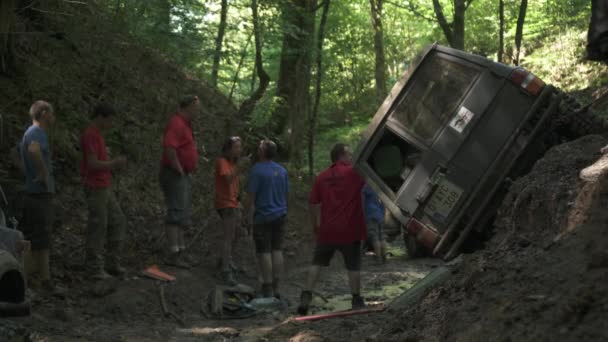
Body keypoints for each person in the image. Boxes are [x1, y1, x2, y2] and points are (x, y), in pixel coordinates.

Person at [297, 143, 367, 315]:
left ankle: (306, 296)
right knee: (353, 266)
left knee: (317, 263)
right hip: (350, 230)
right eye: (349, 155)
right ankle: (356, 299)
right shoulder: (354, 174)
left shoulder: (321, 177)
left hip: (327, 229)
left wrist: (316, 225)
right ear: (341, 156)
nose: (351, 158)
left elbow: (313, 203)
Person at [80, 103, 128, 280]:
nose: (111, 123)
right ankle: (93, 267)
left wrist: (109, 161)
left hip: (104, 185)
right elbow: (92, 164)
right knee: (98, 225)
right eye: (110, 119)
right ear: (101, 116)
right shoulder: (91, 134)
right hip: (95, 186)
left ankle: (112, 263)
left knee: (117, 221)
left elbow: (97, 160)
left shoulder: (98, 135)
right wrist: (113, 164)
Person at [18, 100, 56, 291]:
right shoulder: (36, 133)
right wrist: (41, 173)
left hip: (34, 194)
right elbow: (34, 150)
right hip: (38, 195)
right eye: (51, 113)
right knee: (35, 240)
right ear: (43, 113)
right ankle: (22, 283)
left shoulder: (29, 133)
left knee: (40, 238)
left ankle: (44, 280)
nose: (53, 117)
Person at [243, 140, 289, 298]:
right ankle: (278, 286)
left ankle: (268, 286)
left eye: (259, 147)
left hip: (263, 216)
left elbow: (250, 196)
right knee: (277, 249)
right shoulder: (282, 171)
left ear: (262, 152)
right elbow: (285, 194)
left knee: (264, 252)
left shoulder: (257, 171)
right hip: (280, 215)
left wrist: (245, 214)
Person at [160, 95, 200, 268]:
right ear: (189, 106)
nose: (199, 111)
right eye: (197, 107)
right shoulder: (176, 123)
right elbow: (169, 147)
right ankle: (173, 253)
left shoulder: (186, 125)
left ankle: (181, 251)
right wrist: (178, 168)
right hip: (174, 174)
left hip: (183, 174)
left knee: (183, 213)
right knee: (176, 212)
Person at [214, 136, 248, 285]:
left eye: (240, 147)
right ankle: (225, 270)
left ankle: (225, 260)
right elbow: (227, 179)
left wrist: (240, 201)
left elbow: (236, 185)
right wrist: (240, 167)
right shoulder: (222, 162)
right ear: (228, 149)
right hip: (225, 203)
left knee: (239, 232)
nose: (239, 150)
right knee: (228, 236)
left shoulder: (233, 164)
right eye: (236, 147)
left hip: (234, 202)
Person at [362, 184, 387, 264]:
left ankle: (378, 259)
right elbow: (383, 203)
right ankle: (384, 258)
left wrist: (362, 214)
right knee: (382, 237)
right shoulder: (378, 186)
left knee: (375, 237)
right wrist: (383, 213)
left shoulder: (365, 187)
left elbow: (362, 201)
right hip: (379, 214)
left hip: (370, 214)